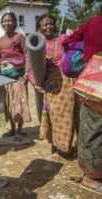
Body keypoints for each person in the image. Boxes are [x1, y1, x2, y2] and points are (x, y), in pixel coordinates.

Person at [26, 13, 79, 161]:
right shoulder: (37, 45)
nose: (49, 26)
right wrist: (35, 83)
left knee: (70, 115)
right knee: (53, 116)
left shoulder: (62, 39)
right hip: (50, 84)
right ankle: (54, 148)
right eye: (45, 24)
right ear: (39, 28)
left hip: (68, 82)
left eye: (51, 23)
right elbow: (30, 67)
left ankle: (71, 146)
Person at [62, 6, 102, 194]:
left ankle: (92, 173)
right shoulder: (96, 22)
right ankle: (90, 177)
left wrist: (86, 58)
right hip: (97, 83)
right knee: (95, 128)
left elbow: (68, 41)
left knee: (91, 126)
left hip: (89, 80)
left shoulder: (93, 21)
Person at [0, 12, 31, 140]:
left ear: (14, 22)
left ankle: (19, 131)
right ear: (2, 24)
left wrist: (27, 72)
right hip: (5, 77)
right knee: (8, 103)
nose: (7, 23)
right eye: (4, 21)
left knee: (19, 102)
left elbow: (27, 54)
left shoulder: (19, 37)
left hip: (19, 75)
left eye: (9, 21)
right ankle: (12, 129)